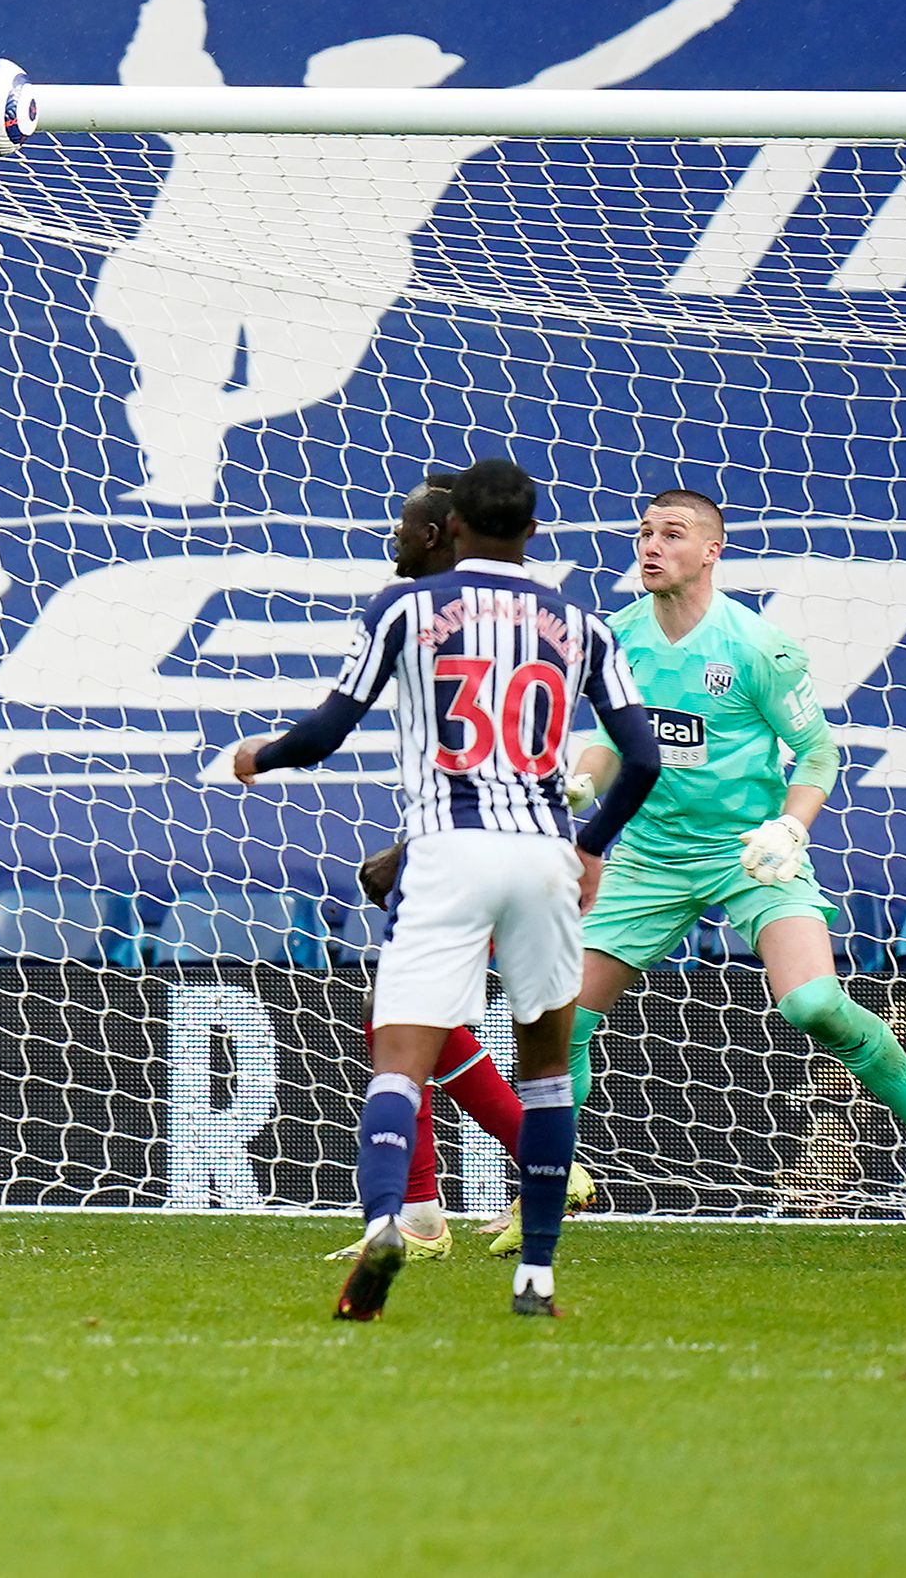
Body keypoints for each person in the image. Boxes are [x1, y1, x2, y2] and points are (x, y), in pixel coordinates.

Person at [100, 0, 825, 506]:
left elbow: (594, 73)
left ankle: (204, 428)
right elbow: (161, 66)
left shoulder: (437, 130)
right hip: (194, 263)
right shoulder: (245, 122)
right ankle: (179, 482)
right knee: (177, 378)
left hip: (333, 279)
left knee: (287, 389)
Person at [232, 458, 662, 1320]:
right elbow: (643, 758)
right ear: (532, 532)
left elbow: (326, 729)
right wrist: (593, 849)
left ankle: (395, 1218)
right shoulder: (581, 622)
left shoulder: (405, 609)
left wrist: (259, 756)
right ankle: (536, 1276)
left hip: (448, 846)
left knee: (398, 1058)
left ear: (453, 527)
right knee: (545, 1071)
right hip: (544, 854)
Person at [562, 489, 906, 1216]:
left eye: (672, 534)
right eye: (644, 533)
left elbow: (817, 755)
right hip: (650, 857)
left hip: (752, 854)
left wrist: (789, 828)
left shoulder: (759, 647)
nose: (651, 546)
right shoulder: (617, 636)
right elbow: (611, 739)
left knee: (816, 1003)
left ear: (711, 552)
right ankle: (553, 1179)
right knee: (561, 1019)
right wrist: (579, 783)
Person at [321, 471, 590, 1264]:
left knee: (404, 1026)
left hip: (497, 855)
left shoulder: (423, 617)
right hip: (494, 850)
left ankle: (431, 1208)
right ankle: (429, 1210)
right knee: (420, 1027)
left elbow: (512, 769)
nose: (393, 537)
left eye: (406, 524)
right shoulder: (513, 622)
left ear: (445, 534)